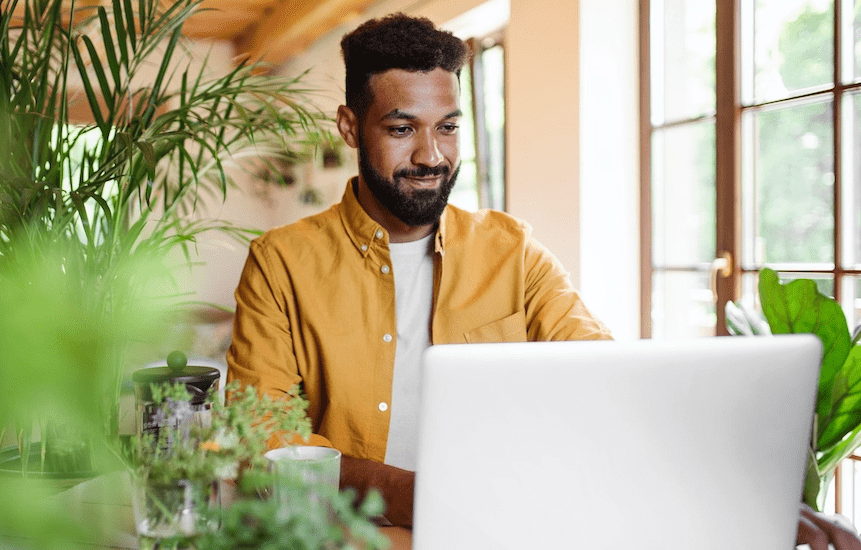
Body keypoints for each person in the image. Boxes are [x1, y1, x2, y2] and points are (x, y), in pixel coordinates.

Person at [226, 12, 860, 549]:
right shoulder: (280, 264)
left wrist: (737, 494)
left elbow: (604, 381)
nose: (431, 155)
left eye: (447, 126)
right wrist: (420, 495)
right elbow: (265, 441)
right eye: (401, 128)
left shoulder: (512, 251)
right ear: (349, 126)